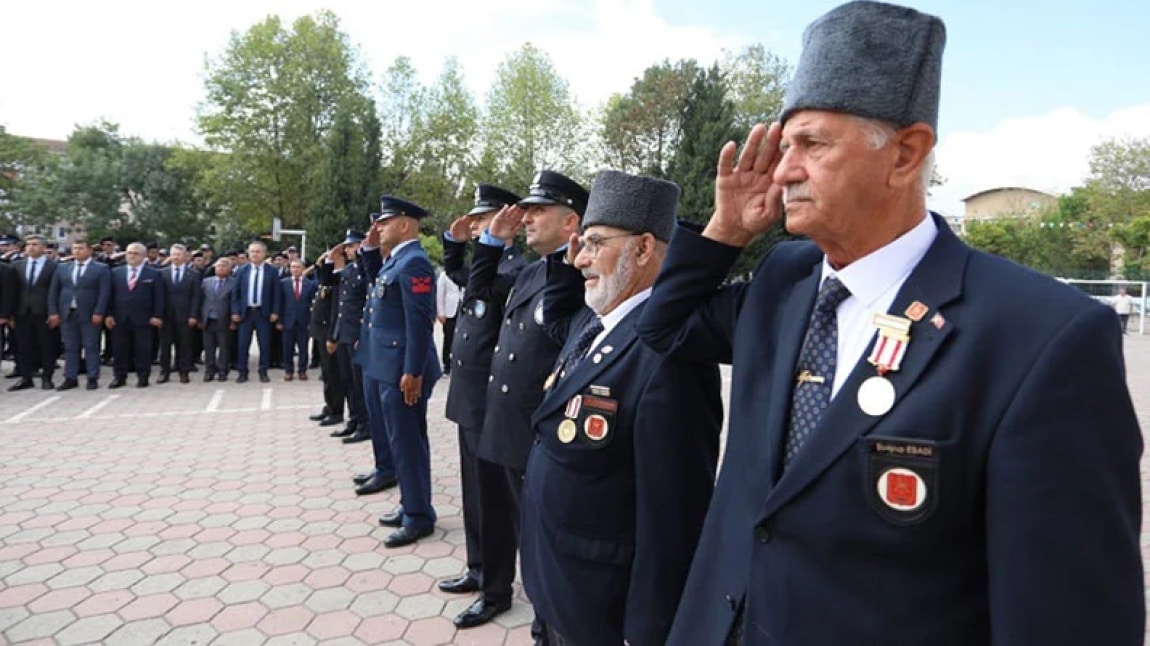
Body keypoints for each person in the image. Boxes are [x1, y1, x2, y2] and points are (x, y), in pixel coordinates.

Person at [635, 3, 1145, 643]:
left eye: (812, 143)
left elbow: (1066, 622)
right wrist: (725, 231)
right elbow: (664, 329)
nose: (785, 167)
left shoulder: (1042, 338)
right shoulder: (784, 284)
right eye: (785, 144)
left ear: (905, 155)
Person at [521, 170, 723, 645]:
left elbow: (674, 517)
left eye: (593, 243)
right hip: (560, 587)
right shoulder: (594, 325)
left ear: (643, 248)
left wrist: (649, 630)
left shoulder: (670, 354)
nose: (581, 259)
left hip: (604, 610)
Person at [453, 171, 588, 631]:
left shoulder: (581, 273)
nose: (526, 218)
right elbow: (479, 293)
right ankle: (493, 591)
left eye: (537, 211)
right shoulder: (529, 270)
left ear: (571, 221)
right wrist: (489, 245)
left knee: (536, 534)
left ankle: (544, 618)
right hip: (501, 417)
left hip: (536, 425)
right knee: (493, 516)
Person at [438, 184, 527, 596]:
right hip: (471, 396)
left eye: (482, 221)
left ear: (505, 221)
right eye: (473, 222)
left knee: (492, 501)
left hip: (492, 401)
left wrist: (487, 247)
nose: (474, 227)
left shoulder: (515, 268)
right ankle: (478, 568)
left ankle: (495, 586)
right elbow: (461, 276)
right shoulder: (488, 263)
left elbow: (477, 287)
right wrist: (452, 246)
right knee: (475, 495)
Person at [360, 197, 441, 547]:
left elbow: (420, 322)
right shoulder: (395, 260)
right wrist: (367, 248)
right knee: (398, 440)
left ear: (405, 225)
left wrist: (414, 370)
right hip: (386, 365)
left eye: (385, 222)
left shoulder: (415, 263)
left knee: (407, 443)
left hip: (402, 370)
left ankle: (419, 516)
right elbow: (375, 291)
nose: (379, 227)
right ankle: (411, 502)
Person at [324, 230, 373, 448]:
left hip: (357, 335)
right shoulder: (349, 269)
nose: (348, 250)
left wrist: (364, 253)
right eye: (347, 247)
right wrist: (329, 259)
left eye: (352, 246)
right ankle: (354, 420)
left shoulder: (365, 269)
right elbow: (327, 281)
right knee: (348, 381)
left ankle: (365, 425)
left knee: (358, 383)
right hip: (344, 333)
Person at [47, 239, 111, 390]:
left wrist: (99, 311)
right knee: (70, 347)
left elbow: (104, 293)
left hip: (90, 313)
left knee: (91, 346)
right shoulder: (62, 268)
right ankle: (70, 377)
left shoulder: (101, 269)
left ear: (89, 251)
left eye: (81, 248)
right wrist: (53, 311)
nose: (77, 251)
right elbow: (54, 291)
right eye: (74, 248)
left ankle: (92, 377)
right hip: (68, 313)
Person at [106, 242, 164, 388]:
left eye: (135, 253)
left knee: (143, 349)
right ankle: (119, 377)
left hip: (144, 319)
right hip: (120, 318)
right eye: (129, 253)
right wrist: (109, 314)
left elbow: (159, 297)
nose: (131, 256)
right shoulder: (115, 273)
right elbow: (109, 296)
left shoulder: (154, 273)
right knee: (119, 349)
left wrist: (157, 315)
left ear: (144, 256)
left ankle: (143, 377)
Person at [9, 235, 58, 391]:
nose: (30, 247)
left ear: (43, 248)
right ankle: (26, 378)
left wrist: (54, 312)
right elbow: (12, 291)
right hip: (22, 312)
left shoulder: (54, 266)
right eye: (28, 244)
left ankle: (47, 378)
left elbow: (55, 291)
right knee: (23, 347)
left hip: (44, 312)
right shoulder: (16, 266)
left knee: (47, 346)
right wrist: (10, 313)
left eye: (35, 244)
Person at [230, 240, 280, 383]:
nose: (255, 254)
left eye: (258, 251)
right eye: (252, 251)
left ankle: (263, 371)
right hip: (245, 313)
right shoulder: (242, 271)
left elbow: (276, 293)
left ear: (264, 253)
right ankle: (242, 372)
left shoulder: (272, 271)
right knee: (243, 344)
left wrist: (275, 311)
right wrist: (235, 311)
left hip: (263, 313)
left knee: (264, 344)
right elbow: (236, 293)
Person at [159, 244, 202, 384]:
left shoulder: (194, 274)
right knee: (165, 346)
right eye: (173, 254)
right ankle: (164, 372)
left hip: (185, 316)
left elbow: (196, 297)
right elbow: (158, 296)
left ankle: (184, 372)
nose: (176, 257)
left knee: (184, 345)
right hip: (166, 316)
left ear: (185, 256)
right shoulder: (162, 273)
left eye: (179, 254)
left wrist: (193, 315)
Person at [196, 257, 236, 382]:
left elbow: (235, 302)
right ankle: (209, 370)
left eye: (224, 265)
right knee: (209, 347)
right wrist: (199, 318)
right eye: (218, 265)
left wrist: (234, 320)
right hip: (208, 319)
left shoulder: (234, 283)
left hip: (224, 319)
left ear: (230, 269)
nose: (221, 268)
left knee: (224, 347)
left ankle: (223, 371)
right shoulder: (206, 282)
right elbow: (199, 300)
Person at [276, 259, 316, 380]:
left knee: (303, 348)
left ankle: (302, 371)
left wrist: (311, 322)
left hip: (304, 321)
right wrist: (279, 321)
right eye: (293, 267)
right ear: (290, 269)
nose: (295, 270)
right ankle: (288, 371)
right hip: (288, 321)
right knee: (287, 347)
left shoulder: (310, 284)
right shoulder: (283, 283)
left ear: (303, 269)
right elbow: (280, 303)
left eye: (298, 267)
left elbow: (313, 305)